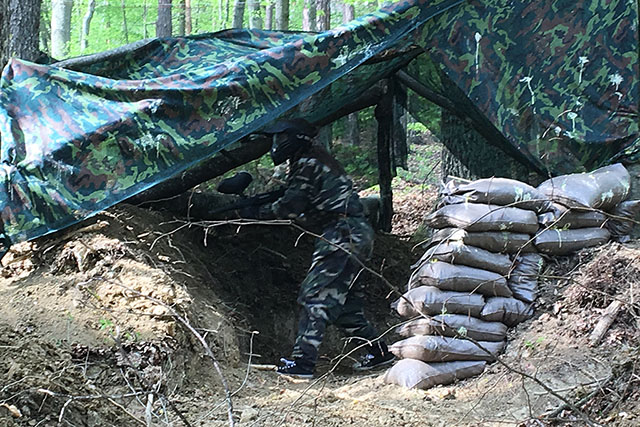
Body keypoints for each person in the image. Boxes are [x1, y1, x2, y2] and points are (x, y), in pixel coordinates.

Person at [239, 118, 395, 379]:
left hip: (342, 234)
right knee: (345, 306)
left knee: (314, 295)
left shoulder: (308, 162)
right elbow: (298, 197)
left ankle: (302, 363)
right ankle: (378, 353)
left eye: (280, 138)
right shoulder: (315, 159)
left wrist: (252, 212)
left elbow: (289, 208)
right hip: (356, 233)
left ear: (292, 139)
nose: (276, 145)